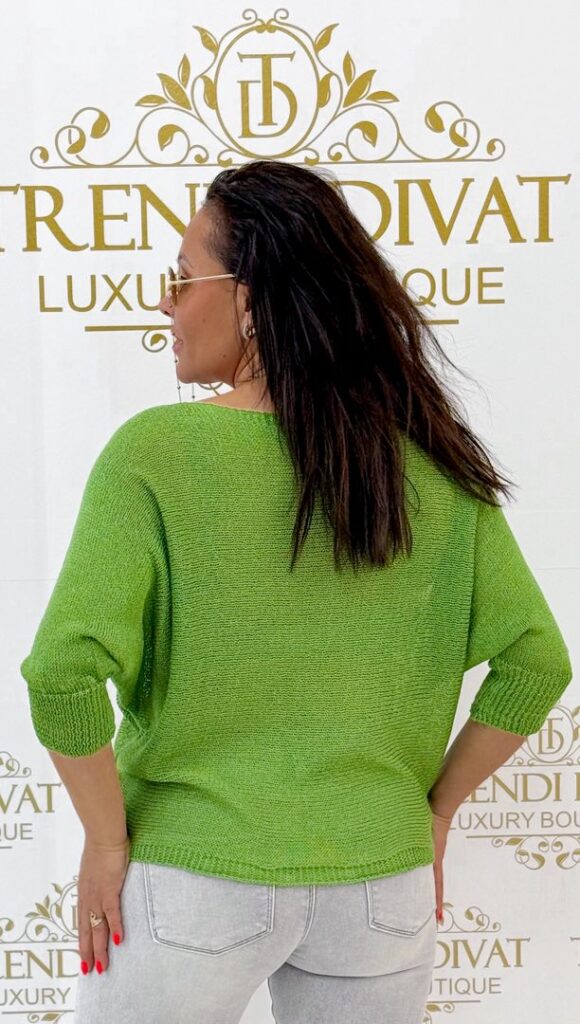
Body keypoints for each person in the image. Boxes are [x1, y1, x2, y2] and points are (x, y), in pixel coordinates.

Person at [19, 159, 573, 1024]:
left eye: (181, 278)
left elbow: (61, 675)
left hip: (194, 879)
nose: (164, 303)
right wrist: (431, 815)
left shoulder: (155, 454)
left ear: (249, 299)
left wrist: (104, 839)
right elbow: (537, 664)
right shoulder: (430, 463)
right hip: (381, 892)